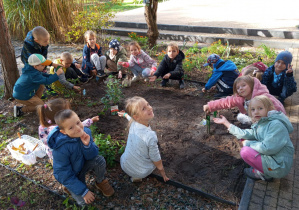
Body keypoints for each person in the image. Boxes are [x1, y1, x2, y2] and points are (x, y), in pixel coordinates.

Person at [213, 95, 294, 181]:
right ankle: (264, 167)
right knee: (244, 138)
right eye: (253, 109)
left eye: (260, 108)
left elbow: (267, 148)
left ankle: (265, 174)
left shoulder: (276, 125)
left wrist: (248, 143)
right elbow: (245, 134)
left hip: (279, 166)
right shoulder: (262, 123)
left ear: (269, 109)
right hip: (274, 159)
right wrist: (226, 123)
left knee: (245, 152)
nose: (256, 112)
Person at [47, 109, 114, 206]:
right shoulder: (60, 149)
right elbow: (62, 173)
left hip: (82, 165)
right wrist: (83, 191)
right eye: (71, 128)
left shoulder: (85, 132)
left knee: (99, 160)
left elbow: (93, 155)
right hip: (72, 174)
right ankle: (70, 187)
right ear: (64, 132)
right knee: (84, 202)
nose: (78, 128)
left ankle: (100, 182)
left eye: (78, 122)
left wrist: (87, 146)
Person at [117, 96, 169, 182]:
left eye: (148, 104)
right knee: (152, 158)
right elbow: (156, 159)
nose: (149, 108)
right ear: (136, 117)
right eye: (144, 109)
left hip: (124, 164)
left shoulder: (133, 123)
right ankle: (137, 177)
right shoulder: (150, 136)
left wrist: (125, 114)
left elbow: (130, 118)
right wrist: (163, 173)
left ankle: (134, 176)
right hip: (141, 172)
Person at [36, 98, 99, 163]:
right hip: (64, 157)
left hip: (52, 155)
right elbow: (78, 127)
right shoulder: (59, 130)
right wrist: (90, 121)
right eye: (68, 111)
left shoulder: (43, 126)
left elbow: (44, 141)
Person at [203, 75, 286, 115]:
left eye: (243, 85)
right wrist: (210, 106)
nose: (241, 89)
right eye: (238, 88)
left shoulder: (264, 98)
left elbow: (279, 109)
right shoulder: (241, 98)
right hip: (256, 121)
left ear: (252, 85)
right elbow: (226, 101)